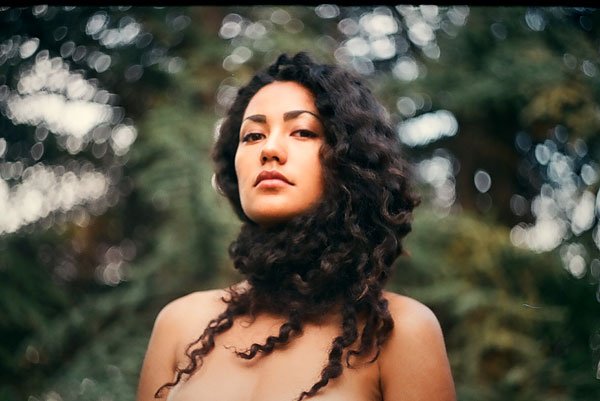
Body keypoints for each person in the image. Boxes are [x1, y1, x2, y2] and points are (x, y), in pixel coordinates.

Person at [136, 52, 456, 401]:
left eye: (302, 132)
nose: (269, 149)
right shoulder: (179, 325)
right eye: (253, 136)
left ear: (352, 162)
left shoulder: (400, 332)